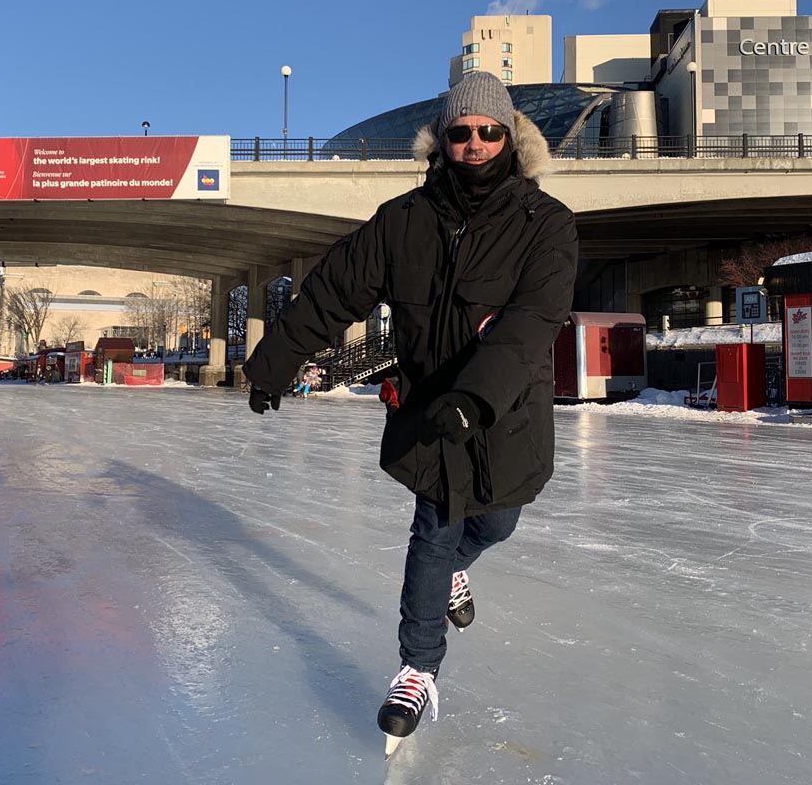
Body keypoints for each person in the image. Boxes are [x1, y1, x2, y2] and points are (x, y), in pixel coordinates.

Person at [242, 71, 578, 749]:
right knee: (434, 533)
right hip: (430, 412)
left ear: (509, 137)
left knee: (499, 523)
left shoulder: (548, 225)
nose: (475, 144)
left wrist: (475, 398)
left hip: (504, 413)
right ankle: (418, 668)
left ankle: (460, 568)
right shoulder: (403, 222)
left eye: (489, 132)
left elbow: (530, 324)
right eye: (461, 132)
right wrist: (275, 363)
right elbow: (333, 292)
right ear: (443, 139)